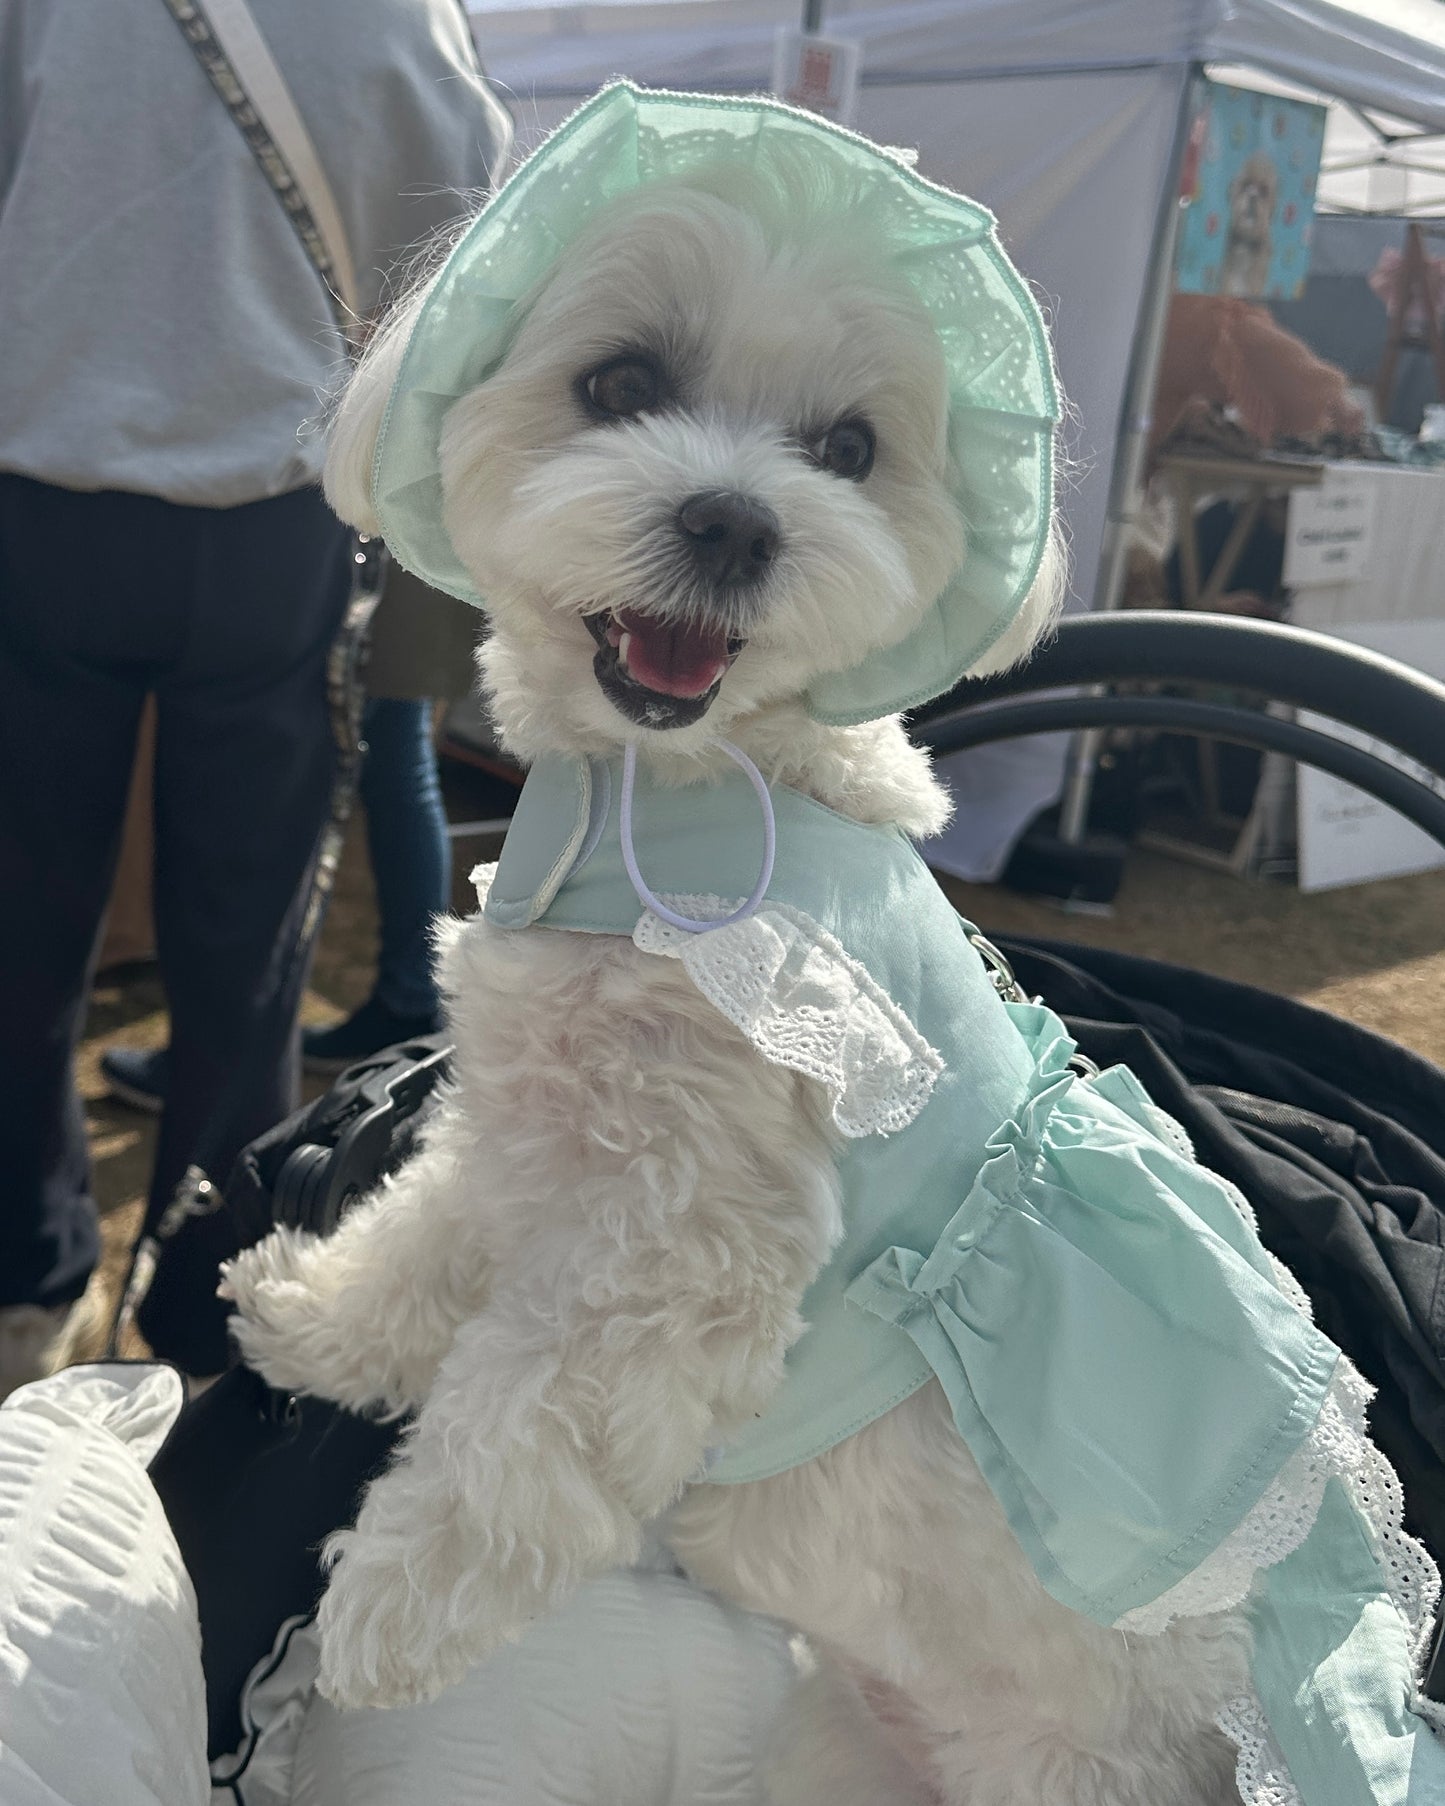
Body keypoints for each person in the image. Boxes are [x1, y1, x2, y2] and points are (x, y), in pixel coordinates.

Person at [0, 0, 512, 1391]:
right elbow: (465, 230)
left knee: (25, 926)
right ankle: (196, 1314)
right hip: (275, 514)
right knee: (247, 956)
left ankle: (27, 1272)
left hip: (42, 495)